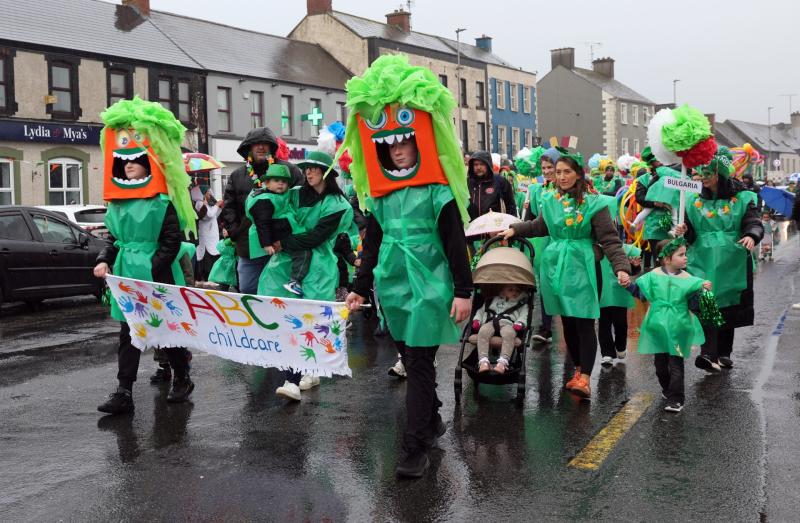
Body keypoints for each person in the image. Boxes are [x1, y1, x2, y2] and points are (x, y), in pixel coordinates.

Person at [342, 55, 472, 478]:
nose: (397, 150)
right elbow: (373, 241)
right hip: (393, 286)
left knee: (417, 362)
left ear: (418, 141)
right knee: (409, 356)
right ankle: (431, 417)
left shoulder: (438, 192)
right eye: (389, 145)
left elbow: (456, 243)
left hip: (430, 285)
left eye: (404, 142)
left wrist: (463, 291)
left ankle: (414, 446)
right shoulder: (379, 196)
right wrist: (361, 285)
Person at [94, 97, 197, 415]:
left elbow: (170, 242)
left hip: (156, 276)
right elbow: (114, 238)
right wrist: (103, 259)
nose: (128, 164)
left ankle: (182, 377)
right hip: (126, 275)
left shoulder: (162, 202)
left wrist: (151, 270)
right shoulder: (117, 204)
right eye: (123, 160)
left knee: (166, 331)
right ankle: (124, 390)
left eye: (135, 160)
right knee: (129, 333)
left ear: (148, 162)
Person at [502, 150, 631, 399]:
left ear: (578, 174)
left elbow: (610, 240)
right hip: (556, 268)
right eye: (558, 172)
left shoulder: (595, 203)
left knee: (583, 322)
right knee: (568, 323)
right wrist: (514, 230)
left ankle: (585, 379)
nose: (561, 177)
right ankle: (578, 371)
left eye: (567, 172)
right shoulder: (550, 199)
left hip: (583, 268)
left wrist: (621, 267)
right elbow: (540, 225)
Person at [258, 151, 353, 400]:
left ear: (327, 173)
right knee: (286, 316)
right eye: (307, 168)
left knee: (307, 320)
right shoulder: (295, 193)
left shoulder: (337, 203)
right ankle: (300, 373)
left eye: (314, 168)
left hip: (318, 266)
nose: (308, 172)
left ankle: (295, 377)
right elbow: (268, 206)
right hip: (286, 264)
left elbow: (317, 237)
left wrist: (282, 242)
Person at [674, 147, 763, 371]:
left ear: (720, 175)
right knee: (706, 304)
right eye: (701, 173)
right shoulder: (692, 201)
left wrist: (752, 236)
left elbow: (753, 222)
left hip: (731, 261)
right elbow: (690, 232)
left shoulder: (743, 198)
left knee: (727, 306)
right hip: (701, 260)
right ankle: (708, 353)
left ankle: (723, 352)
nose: (703, 178)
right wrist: (683, 230)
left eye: (708, 173)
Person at [625, 237, 712, 412]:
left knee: (676, 363)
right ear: (666, 259)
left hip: (679, 328)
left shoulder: (690, 279)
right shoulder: (653, 276)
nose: (685, 257)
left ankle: (677, 398)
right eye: (681, 254)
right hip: (657, 328)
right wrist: (628, 285)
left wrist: (703, 292)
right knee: (660, 366)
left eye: (685, 254)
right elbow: (642, 293)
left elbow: (696, 305)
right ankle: (667, 389)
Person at [221, 127, 302, 294]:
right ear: (248, 148)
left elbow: (302, 201)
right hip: (248, 246)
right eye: (256, 144)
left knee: (279, 291)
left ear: (272, 147)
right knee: (249, 289)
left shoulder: (289, 170)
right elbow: (229, 208)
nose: (261, 147)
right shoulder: (237, 175)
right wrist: (235, 232)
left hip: (282, 245)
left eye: (265, 144)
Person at [245, 163, 310, 296]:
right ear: (267, 183)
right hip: (276, 238)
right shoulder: (264, 200)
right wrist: (267, 243)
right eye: (276, 180)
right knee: (303, 253)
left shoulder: (278, 196)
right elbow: (262, 223)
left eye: (284, 181)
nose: (281, 184)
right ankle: (295, 281)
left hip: (281, 235)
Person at [597, 195, 642, 366]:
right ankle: (607, 353)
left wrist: (635, 266)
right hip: (602, 293)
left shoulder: (626, 249)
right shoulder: (595, 250)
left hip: (620, 293)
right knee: (603, 325)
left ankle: (621, 346)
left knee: (621, 323)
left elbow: (634, 271)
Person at [526, 147, 560, 343]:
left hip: (562, 243)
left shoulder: (566, 189)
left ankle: (570, 325)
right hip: (543, 245)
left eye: (550, 167)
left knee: (562, 285)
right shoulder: (537, 190)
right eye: (544, 167)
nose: (547, 171)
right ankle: (546, 327)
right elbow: (532, 219)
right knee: (545, 284)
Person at [635, 146, 680, 269]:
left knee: (674, 259)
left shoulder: (672, 175)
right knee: (660, 259)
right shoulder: (644, 179)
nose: (661, 162)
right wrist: (655, 203)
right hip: (654, 226)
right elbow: (639, 198)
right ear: (651, 163)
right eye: (658, 160)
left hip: (673, 224)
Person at [472, 284, 529, 374]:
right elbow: (481, 311)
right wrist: (477, 320)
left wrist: (520, 323)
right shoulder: (492, 300)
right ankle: (483, 361)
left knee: (509, 334)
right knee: (483, 331)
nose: (514, 292)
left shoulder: (522, 304)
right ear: (502, 291)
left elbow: (524, 315)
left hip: (509, 324)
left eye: (517, 291)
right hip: (490, 322)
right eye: (510, 289)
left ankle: (503, 362)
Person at [467, 150, 518, 219]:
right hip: (473, 226)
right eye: (476, 164)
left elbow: (510, 205)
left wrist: (512, 224)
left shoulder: (500, 181)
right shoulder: (468, 182)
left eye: (482, 164)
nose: (478, 167)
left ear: (488, 165)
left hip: (494, 225)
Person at [194, 188, 222, 282]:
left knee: (213, 254)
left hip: (212, 233)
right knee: (206, 256)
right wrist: (217, 206)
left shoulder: (208, 202)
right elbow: (208, 215)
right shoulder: (199, 203)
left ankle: (211, 277)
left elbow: (214, 215)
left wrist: (219, 207)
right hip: (206, 235)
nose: (210, 194)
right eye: (207, 192)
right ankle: (205, 278)